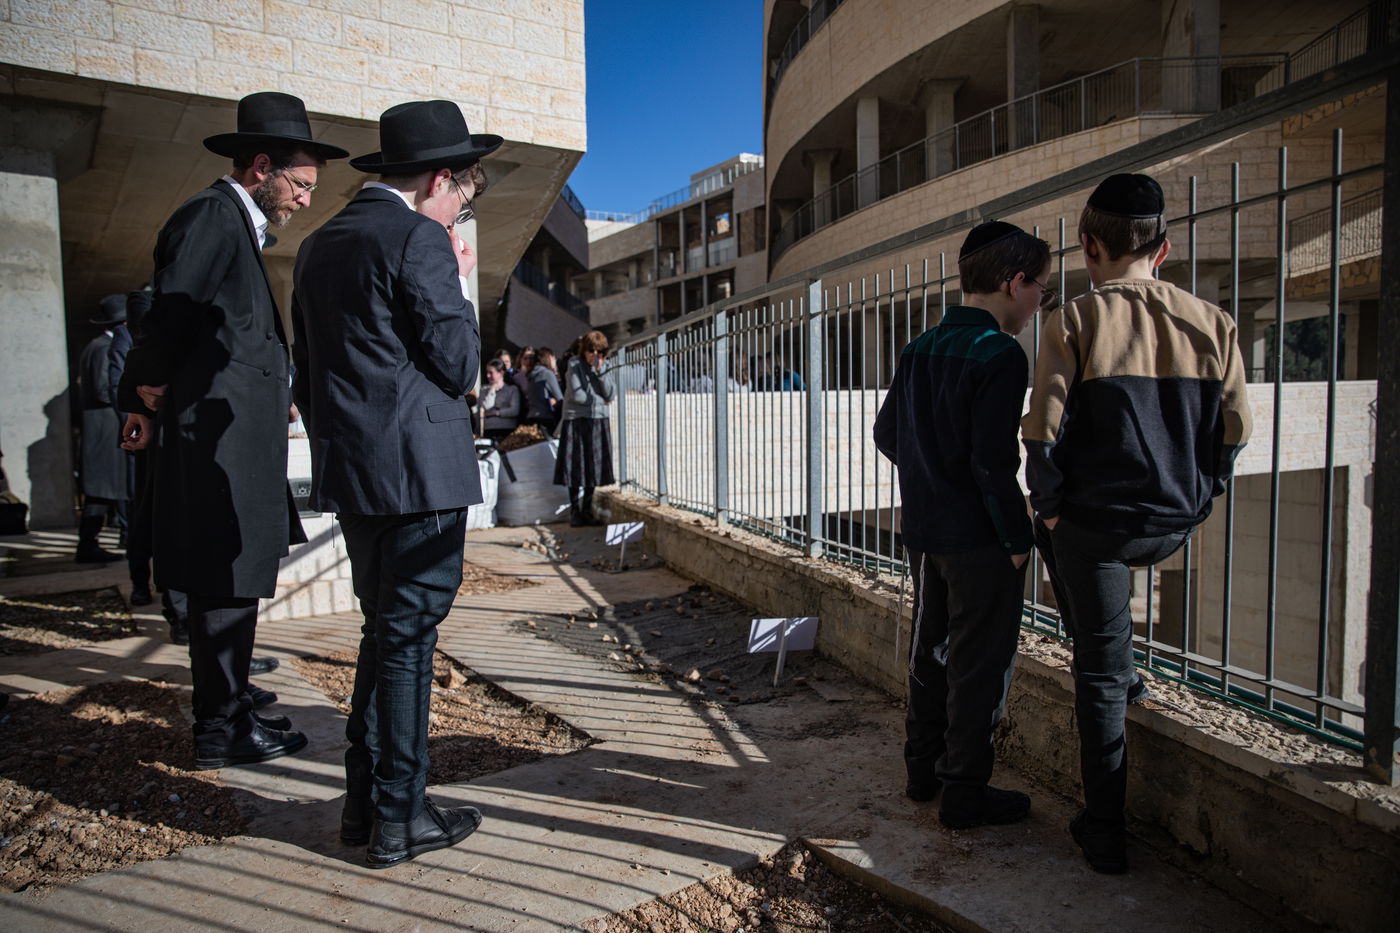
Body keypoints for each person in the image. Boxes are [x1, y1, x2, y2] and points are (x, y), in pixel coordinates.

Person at [1023, 174, 1252, 874]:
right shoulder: (1215, 323)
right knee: (1079, 582)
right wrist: (1205, 491)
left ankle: (1106, 828)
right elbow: (1235, 430)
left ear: (1088, 246)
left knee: (1094, 664)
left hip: (1093, 527)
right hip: (1175, 521)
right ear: (1165, 248)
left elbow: (1042, 435)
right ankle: (1117, 661)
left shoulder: (1073, 320)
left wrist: (1051, 503)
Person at [292, 98, 497, 868]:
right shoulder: (420, 237)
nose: (459, 213)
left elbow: (306, 375)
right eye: (461, 200)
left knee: (385, 631)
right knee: (407, 640)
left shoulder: (317, 245)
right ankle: (403, 815)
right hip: (420, 475)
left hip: (355, 473)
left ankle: (363, 805)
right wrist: (459, 282)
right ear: (440, 179)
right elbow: (459, 365)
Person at [117, 91, 346, 770]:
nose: (306, 199)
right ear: (260, 166)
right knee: (222, 575)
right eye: (300, 185)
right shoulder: (211, 216)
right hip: (215, 438)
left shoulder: (234, 223)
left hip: (233, 434)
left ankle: (233, 699)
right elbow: (172, 313)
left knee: (237, 575)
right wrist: (141, 392)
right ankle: (219, 728)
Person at [873, 221, 1051, 831]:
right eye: (1039, 290)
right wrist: (1018, 540)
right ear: (1013, 281)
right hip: (979, 540)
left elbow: (886, 433)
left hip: (925, 532)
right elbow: (993, 465)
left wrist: (930, 477)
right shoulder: (1002, 354)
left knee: (930, 649)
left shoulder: (919, 346)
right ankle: (965, 791)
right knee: (979, 663)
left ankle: (921, 771)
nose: (1038, 303)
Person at [74, 294, 130, 563]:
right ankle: (88, 545)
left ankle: (91, 543)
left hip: (100, 427)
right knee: (102, 489)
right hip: (105, 427)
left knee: (105, 488)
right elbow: (103, 388)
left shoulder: (95, 345)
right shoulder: (105, 347)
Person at [554, 330, 616, 526]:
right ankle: (575, 511)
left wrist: (599, 372)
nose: (595, 356)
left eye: (600, 352)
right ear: (585, 351)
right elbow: (577, 395)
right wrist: (602, 400)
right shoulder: (574, 365)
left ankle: (587, 509)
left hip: (597, 420)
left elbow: (611, 393)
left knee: (594, 468)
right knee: (575, 468)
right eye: (592, 351)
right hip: (577, 420)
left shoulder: (605, 366)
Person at [479, 359, 522, 443]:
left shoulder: (512, 389)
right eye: (487, 372)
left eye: (491, 373)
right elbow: (486, 406)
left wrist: (495, 413)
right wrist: (492, 390)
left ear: (501, 373)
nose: (488, 376)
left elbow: (514, 411)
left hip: (507, 430)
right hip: (490, 430)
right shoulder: (484, 390)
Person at [524, 347, 563, 431]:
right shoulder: (546, 374)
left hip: (531, 416)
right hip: (545, 418)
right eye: (553, 358)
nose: (555, 361)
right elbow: (560, 398)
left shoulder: (531, 374)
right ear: (549, 358)